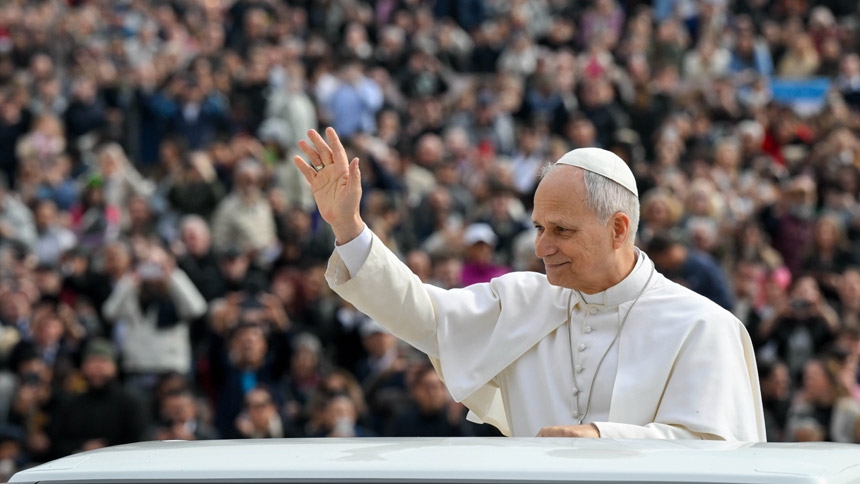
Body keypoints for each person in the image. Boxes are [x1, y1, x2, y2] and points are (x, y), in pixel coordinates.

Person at [293, 128, 765, 440]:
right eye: (539, 228)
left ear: (618, 229)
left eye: (562, 230)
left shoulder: (702, 325)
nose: (542, 247)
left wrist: (605, 438)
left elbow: (718, 455)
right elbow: (424, 316)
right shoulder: (523, 300)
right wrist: (350, 228)